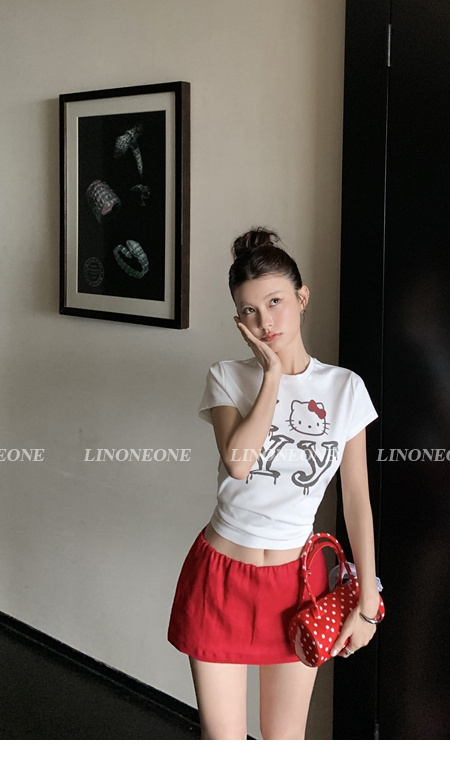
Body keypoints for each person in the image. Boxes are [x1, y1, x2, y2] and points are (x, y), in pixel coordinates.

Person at [167, 227, 382, 740]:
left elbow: (356, 499)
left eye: (275, 302)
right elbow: (239, 463)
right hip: (221, 578)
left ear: (302, 298)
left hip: (298, 587)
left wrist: (367, 605)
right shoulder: (226, 377)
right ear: (238, 321)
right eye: (249, 310)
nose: (265, 321)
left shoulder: (345, 389)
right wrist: (271, 377)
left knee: (284, 742)